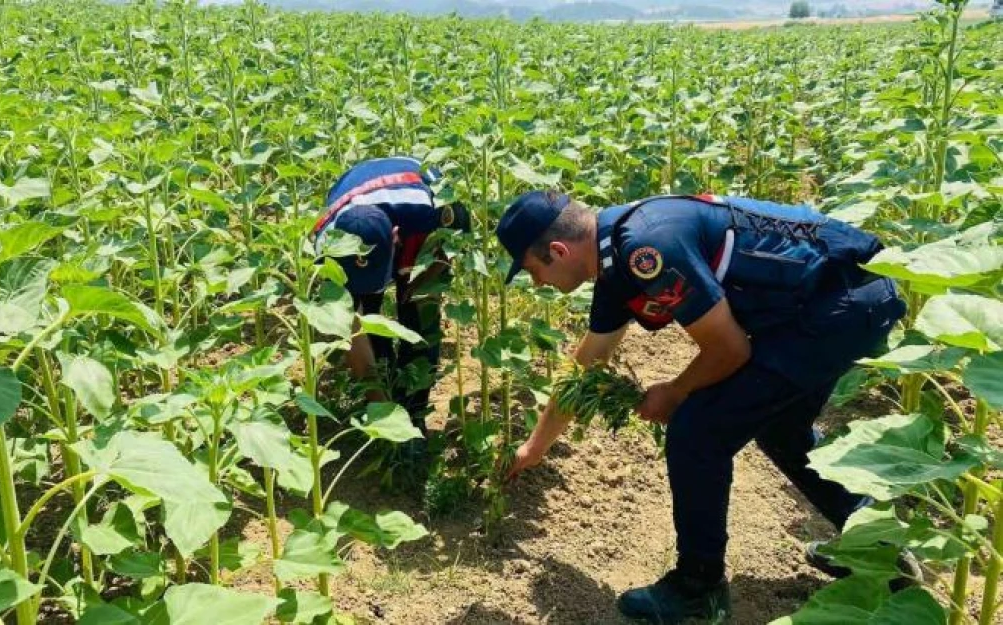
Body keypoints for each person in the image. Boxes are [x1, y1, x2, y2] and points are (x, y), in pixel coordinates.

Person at [496, 190, 909, 623]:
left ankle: (698, 588)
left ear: (558, 251)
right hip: (838, 298)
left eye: (531, 271)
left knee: (698, 431)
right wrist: (535, 447)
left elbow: (729, 350)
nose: (537, 284)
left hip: (839, 303)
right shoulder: (615, 256)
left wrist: (676, 392)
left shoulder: (645, 247)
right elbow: (585, 366)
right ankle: (878, 551)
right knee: (780, 426)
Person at [311, 156, 469, 443]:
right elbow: (351, 326)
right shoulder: (327, 244)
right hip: (357, 190)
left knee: (422, 317)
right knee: (367, 326)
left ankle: (414, 409)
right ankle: (387, 388)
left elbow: (453, 250)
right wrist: (381, 408)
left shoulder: (434, 211)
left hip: (417, 210)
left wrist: (418, 284)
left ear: (395, 237)